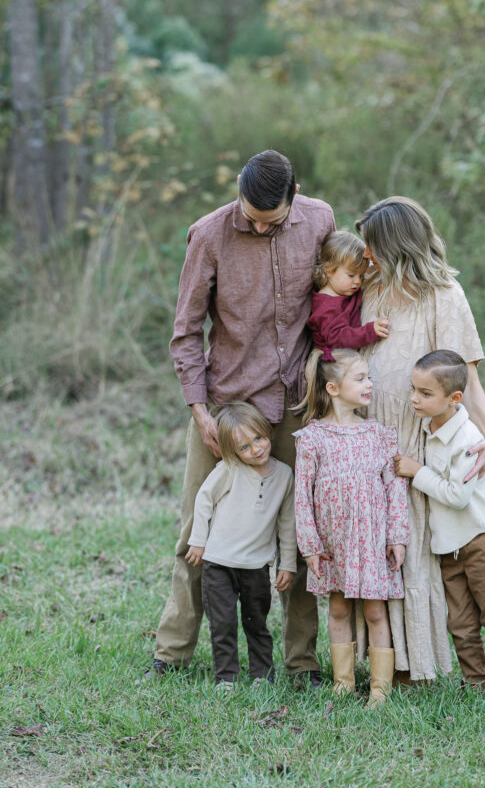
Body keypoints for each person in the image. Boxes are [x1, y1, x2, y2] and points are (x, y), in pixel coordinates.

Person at [150, 150, 334, 683]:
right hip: (227, 410)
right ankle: (172, 652)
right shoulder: (208, 234)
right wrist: (200, 411)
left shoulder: (320, 220)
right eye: (249, 213)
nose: (255, 224)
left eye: (268, 220)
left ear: (294, 197)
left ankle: (301, 663)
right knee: (196, 529)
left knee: (300, 532)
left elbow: (333, 301)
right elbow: (186, 332)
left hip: (298, 404)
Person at [355, 196, 485, 682]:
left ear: (396, 246)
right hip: (367, 437)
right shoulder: (369, 288)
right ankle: (377, 660)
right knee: (373, 547)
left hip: (416, 442)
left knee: (413, 549)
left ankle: (416, 663)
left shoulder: (444, 294)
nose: (366, 253)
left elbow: (468, 376)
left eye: (374, 245)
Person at [394, 351, 485, 687]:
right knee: (461, 623)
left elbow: (458, 496)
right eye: (413, 389)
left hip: (482, 540)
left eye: (425, 393)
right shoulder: (425, 427)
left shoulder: (468, 440)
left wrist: (417, 472)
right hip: (449, 548)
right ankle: (475, 684)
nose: (414, 399)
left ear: (455, 399)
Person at [294, 348, 409, 705]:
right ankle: (343, 682)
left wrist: (397, 536)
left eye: (368, 377)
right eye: (360, 378)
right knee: (339, 608)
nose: (369, 384)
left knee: (376, 610)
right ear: (332, 388)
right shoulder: (313, 438)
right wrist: (310, 546)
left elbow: (395, 488)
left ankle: (380, 689)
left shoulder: (378, 435)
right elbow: (302, 496)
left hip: (371, 541)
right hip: (334, 543)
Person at [185, 402, 297, 689]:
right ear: (233, 452)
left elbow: (287, 522)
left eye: (258, 438)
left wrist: (287, 563)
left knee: (256, 623)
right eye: (244, 447)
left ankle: (262, 674)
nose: (256, 449)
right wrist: (198, 541)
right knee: (222, 624)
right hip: (218, 562)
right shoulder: (230, 469)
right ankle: (226, 677)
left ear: (267, 431)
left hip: (256, 566)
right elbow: (204, 500)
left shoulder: (284, 475)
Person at [307, 230, 390, 359]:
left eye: (361, 275)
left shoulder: (345, 290)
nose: (357, 281)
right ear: (328, 270)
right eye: (351, 275)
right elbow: (338, 338)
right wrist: (370, 331)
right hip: (335, 364)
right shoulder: (326, 306)